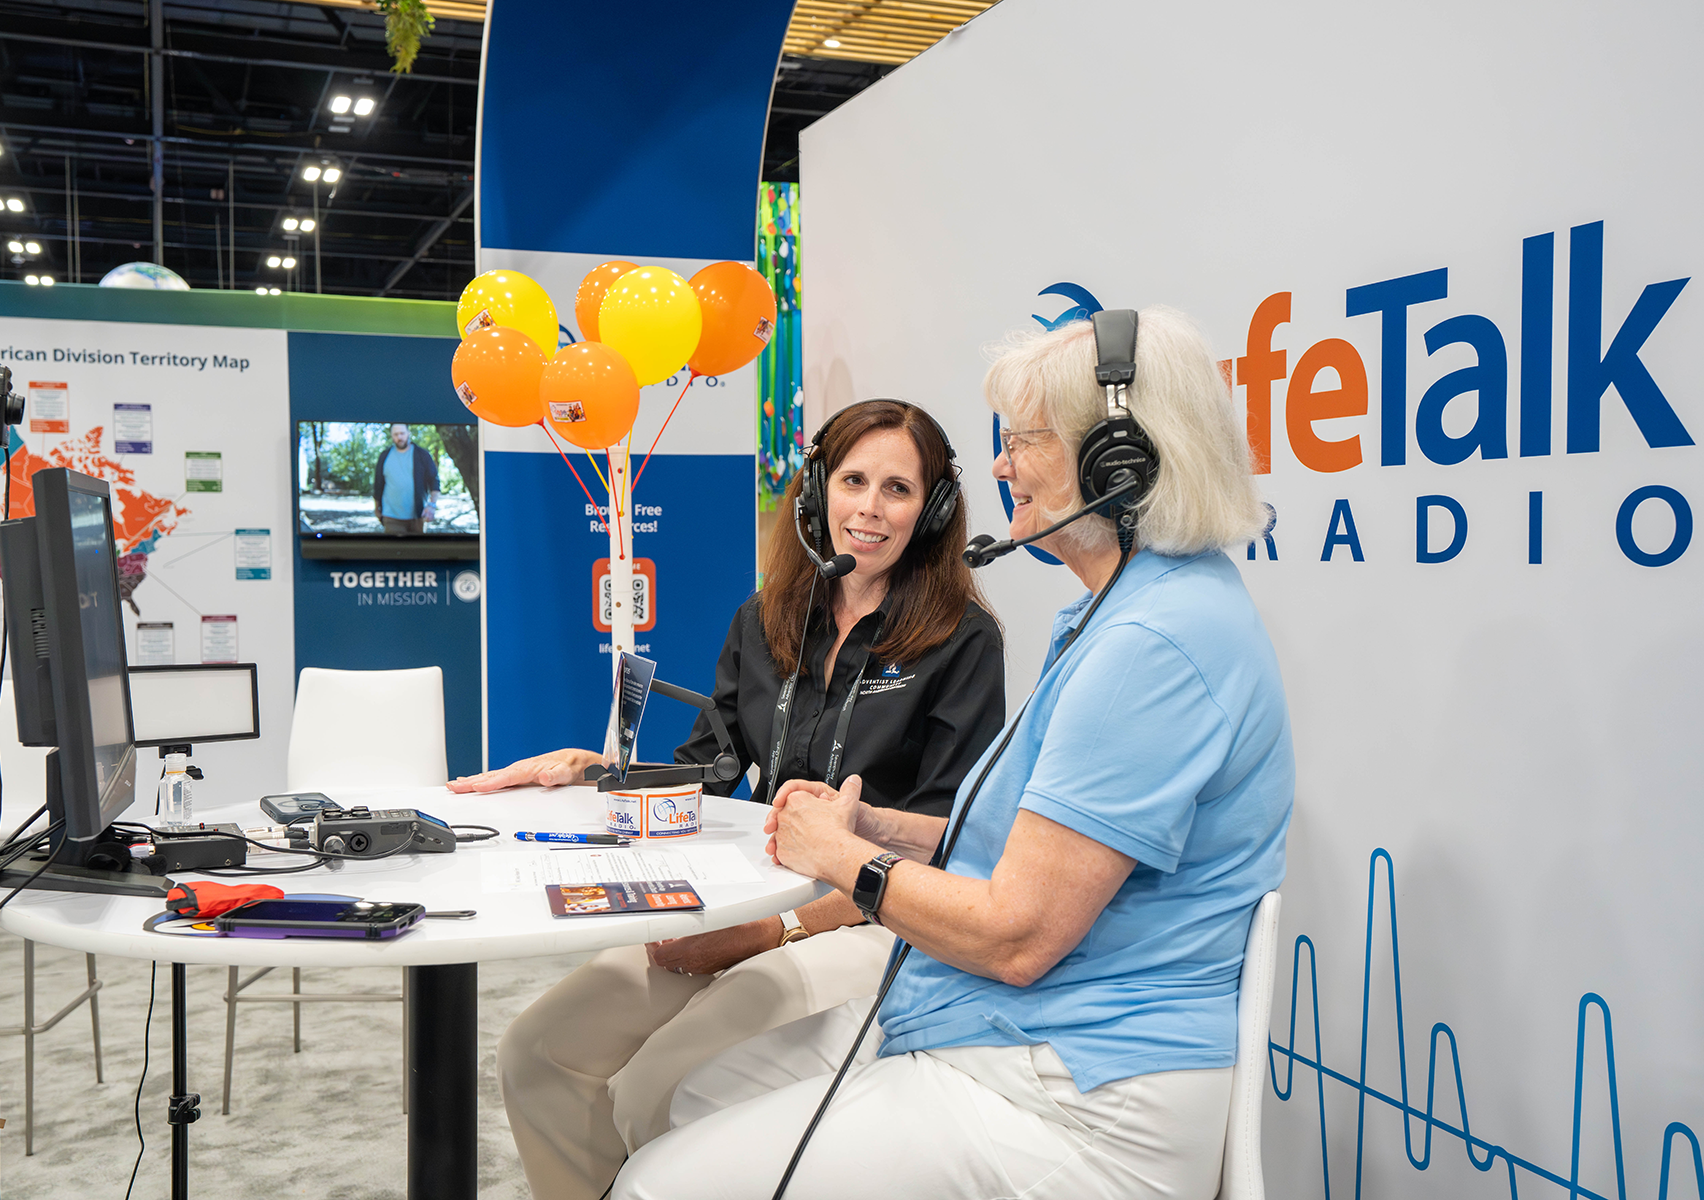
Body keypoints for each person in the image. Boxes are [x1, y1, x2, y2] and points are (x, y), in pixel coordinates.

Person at [612, 308, 1294, 1200]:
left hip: (1074, 1094)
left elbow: (1017, 936)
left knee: (661, 1183)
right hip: (1005, 1031)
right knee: (684, 1099)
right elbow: (1027, 849)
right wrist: (875, 825)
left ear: (1114, 464)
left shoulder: (1151, 648)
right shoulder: (1129, 611)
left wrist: (846, 859)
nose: (1003, 466)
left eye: (1025, 442)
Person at [448, 399, 1008, 1200]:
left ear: (934, 509)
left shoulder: (963, 641)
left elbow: (949, 842)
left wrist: (773, 930)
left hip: (867, 923)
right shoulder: (766, 618)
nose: (870, 509)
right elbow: (706, 777)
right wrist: (593, 770)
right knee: (536, 1056)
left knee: (655, 1092)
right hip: (738, 905)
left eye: (898, 489)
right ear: (817, 490)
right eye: (853, 480)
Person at [372, 423, 437, 534]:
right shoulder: (384, 456)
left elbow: (434, 481)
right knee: (393, 550)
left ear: (408, 433)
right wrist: (377, 507)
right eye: (396, 434)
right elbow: (378, 484)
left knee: (416, 551)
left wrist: (432, 505)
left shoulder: (422, 455)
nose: (399, 437)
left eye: (402, 433)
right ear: (392, 436)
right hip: (391, 516)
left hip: (417, 516)